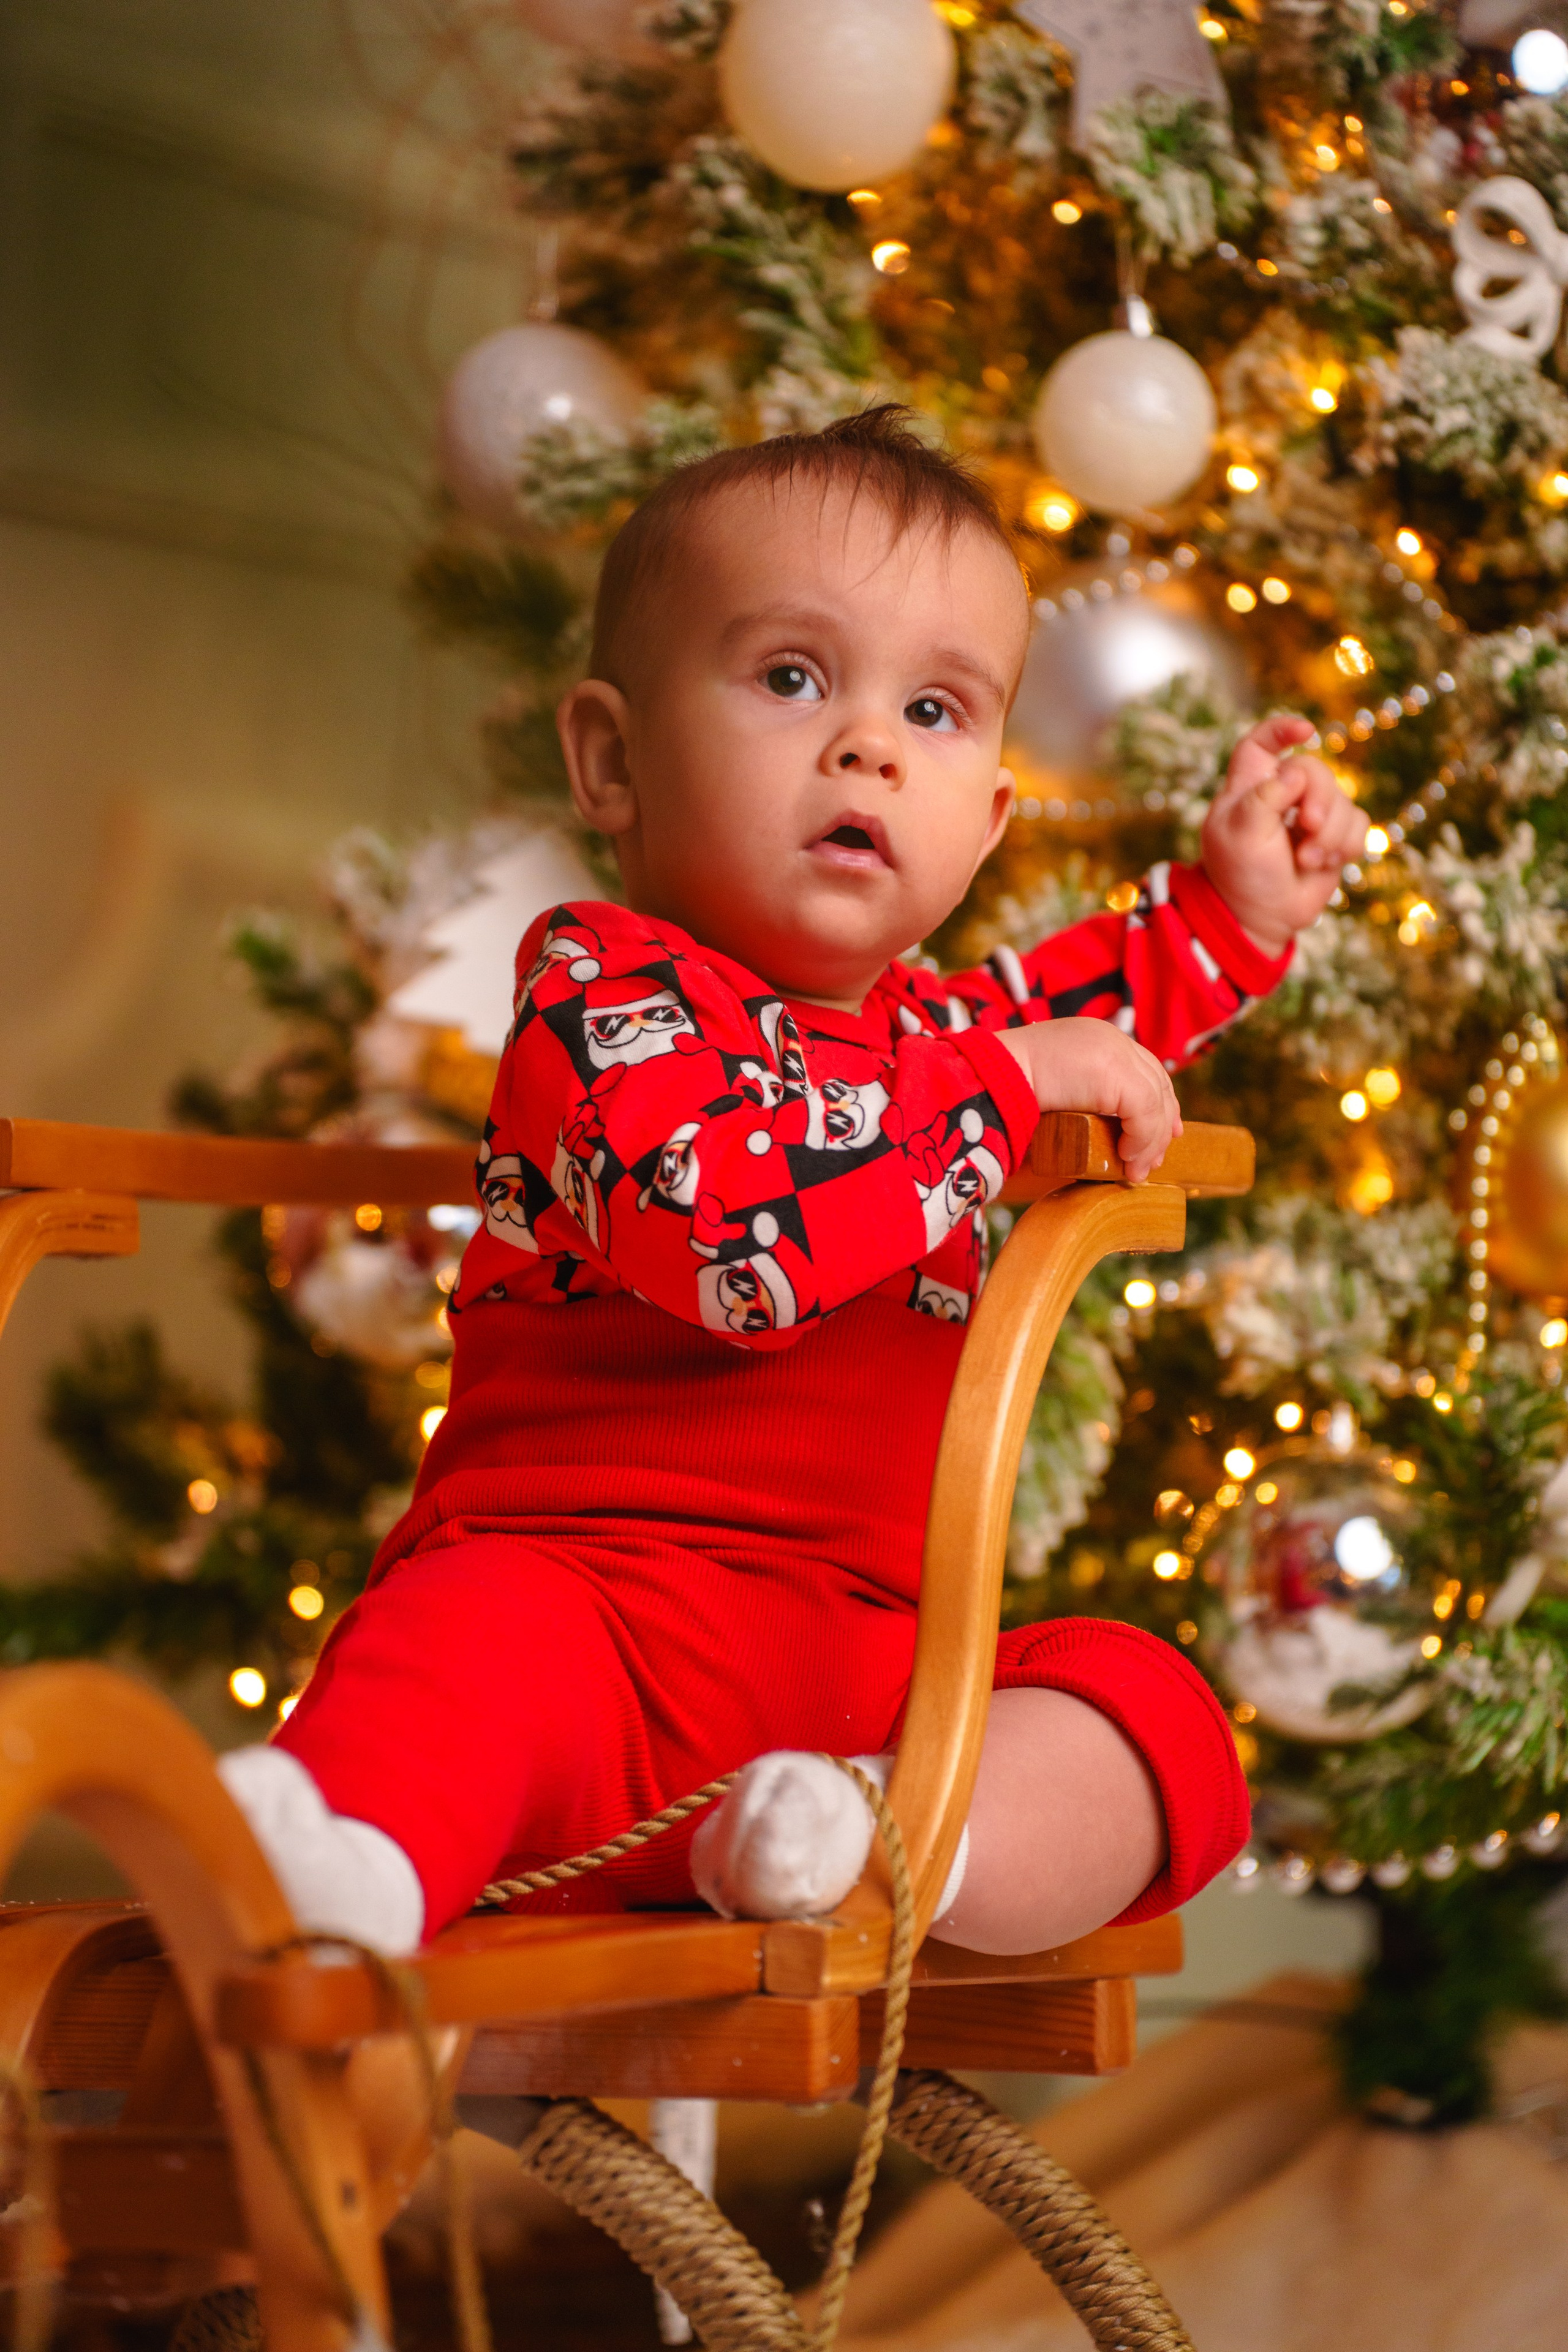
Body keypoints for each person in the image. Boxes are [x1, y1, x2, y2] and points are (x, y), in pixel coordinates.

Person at [222, 408, 1366, 1957]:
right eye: (790, 678)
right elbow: (730, 1236)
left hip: (867, 1675)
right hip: (586, 1619)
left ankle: (874, 1842)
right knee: (453, 1652)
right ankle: (344, 1870)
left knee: (1150, 1718)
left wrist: (1231, 905)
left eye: (939, 710)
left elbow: (1099, 1004)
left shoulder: (939, 1037)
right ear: (613, 759)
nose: (869, 745)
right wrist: (1013, 1075)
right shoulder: (601, 997)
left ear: (986, 824)